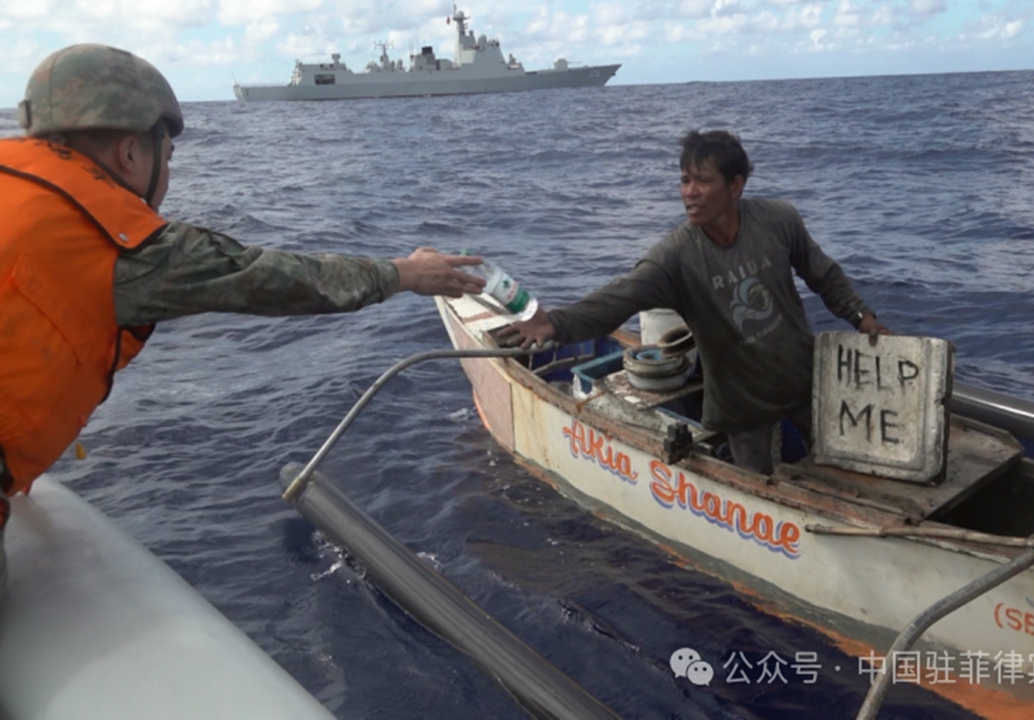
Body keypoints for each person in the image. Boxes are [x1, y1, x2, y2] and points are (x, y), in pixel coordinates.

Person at [0, 43, 485, 500]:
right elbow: (275, 278)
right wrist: (406, 273)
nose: (168, 175)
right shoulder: (119, 246)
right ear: (130, 154)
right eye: (166, 157)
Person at [502, 129, 891, 475]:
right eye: (685, 180)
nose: (689, 191)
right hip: (741, 403)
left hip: (801, 380)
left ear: (735, 185)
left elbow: (822, 273)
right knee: (754, 487)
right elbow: (617, 299)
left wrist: (861, 316)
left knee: (844, 469)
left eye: (702, 181)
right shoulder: (675, 257)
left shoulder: (778, 219)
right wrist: (553, 323)